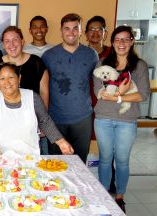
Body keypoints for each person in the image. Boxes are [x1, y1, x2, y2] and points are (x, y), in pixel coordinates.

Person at [93, 26, 150, 213]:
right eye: (118, 39)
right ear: (112, 42)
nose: (122, 43)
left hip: (127, 121)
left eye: (126, 39)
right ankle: (102, 195)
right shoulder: (102, 63)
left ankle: (119, 196)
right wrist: (118, 93)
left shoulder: (139, 66)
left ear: (132, 41)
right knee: (105, 159)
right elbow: (98, 92)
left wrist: (117, 96)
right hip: (103, 118)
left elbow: (143, 95)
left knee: (122, 160)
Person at [0, 63, 74, 156]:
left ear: (19, 78)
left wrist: (61, 142)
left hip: (30, 158)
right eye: (2, 78)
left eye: (11, 77)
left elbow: (45, 121)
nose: (7, 82)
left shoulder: (33, 98)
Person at [42, 13, 98, 163]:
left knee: (79, 162)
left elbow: (98, 84)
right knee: (55, 163)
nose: (71, 33)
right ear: (61, 31)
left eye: (75, 28)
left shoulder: (91, 55)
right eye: (67, 29)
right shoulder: (48, 56)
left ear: (80, 31)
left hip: (83, 118)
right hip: (55, 119)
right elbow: (43, 88)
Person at [1, 26, 49, 154]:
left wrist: (42, 122)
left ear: (22, 41)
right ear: (3, 45)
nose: (11, 44)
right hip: (6, 125)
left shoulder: (36, 63)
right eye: (7, 41)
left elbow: (44, 93)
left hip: (33, 124)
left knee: (38, 165)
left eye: (15, 39)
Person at [85, 15, 116, 194]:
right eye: (92, 29)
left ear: (105, 32)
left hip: (109, 109)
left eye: (99, 29)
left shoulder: (113, 53)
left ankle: (111, 186)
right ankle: (89, 184)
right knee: (88, 146)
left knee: (108, 148)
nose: (95, 33)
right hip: (87, 108)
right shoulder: (81, 52)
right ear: (86, 34)